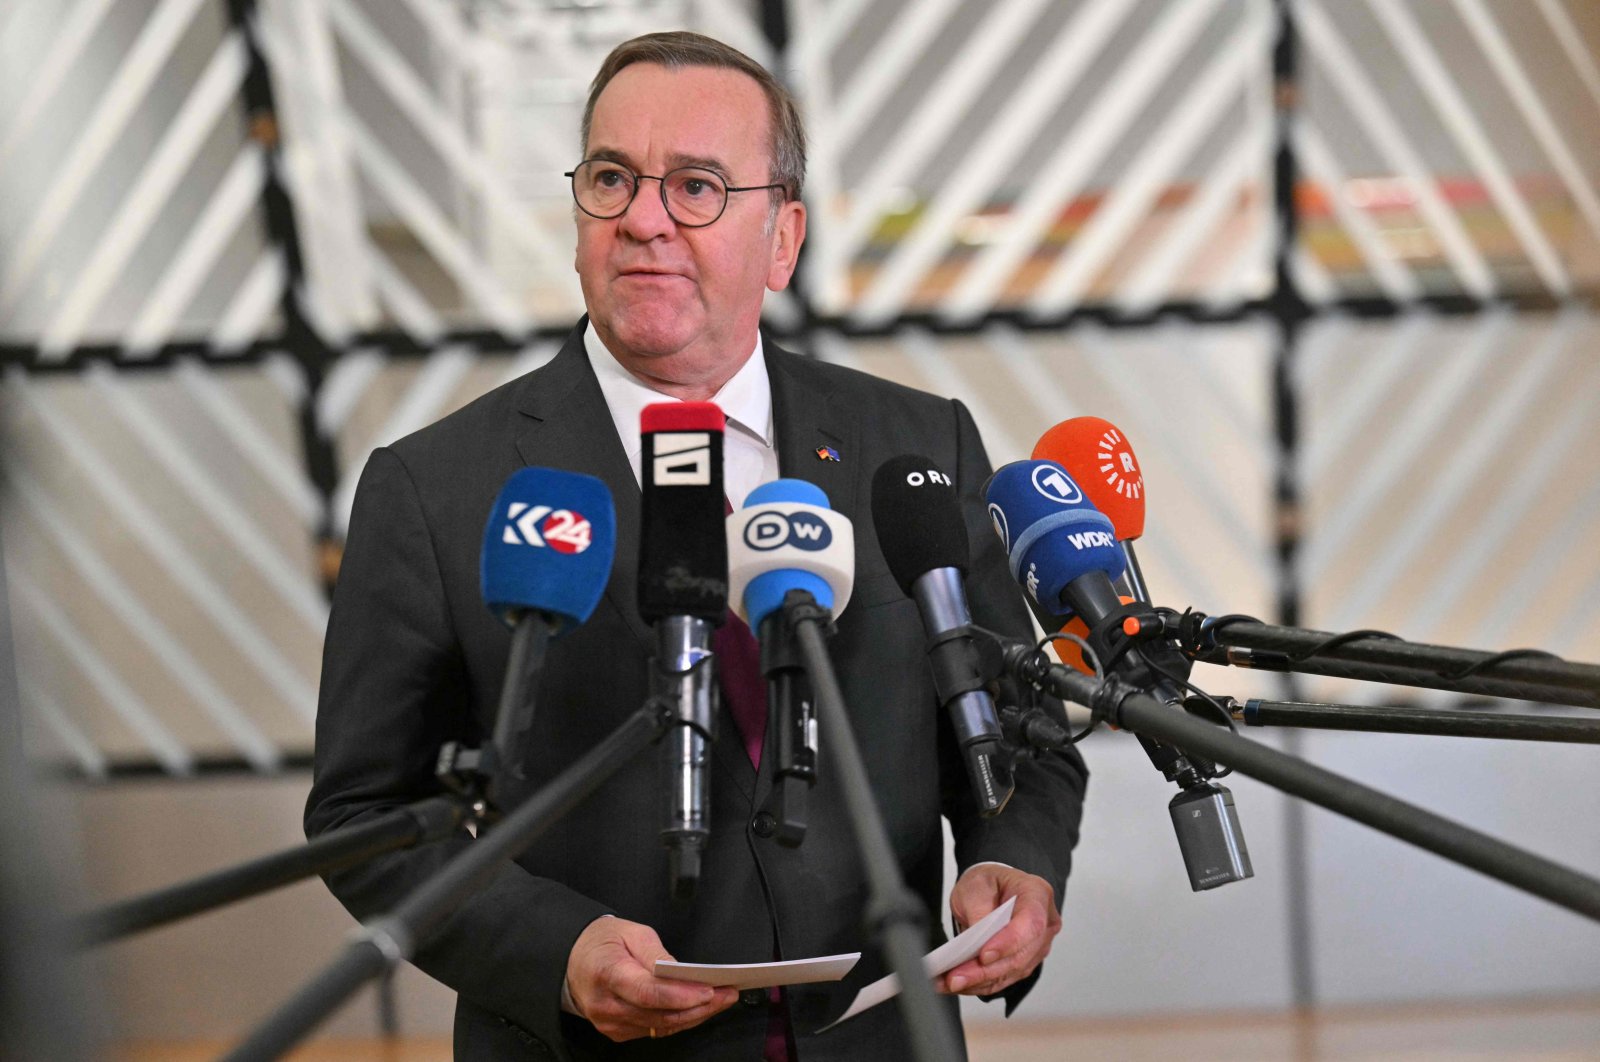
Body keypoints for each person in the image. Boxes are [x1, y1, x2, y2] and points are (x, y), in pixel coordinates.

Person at [306, 31, 1087, 1061]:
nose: (641, 219)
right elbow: (368, 815)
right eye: (611, 178)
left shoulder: (915, 447)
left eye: (698, 186)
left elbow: (1018, 726)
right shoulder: (432, 489)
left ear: (783, 238)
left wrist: (1016, 862)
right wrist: (555, 950)